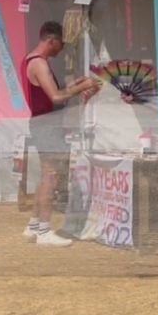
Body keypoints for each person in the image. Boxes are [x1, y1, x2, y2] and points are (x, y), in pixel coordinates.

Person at [21, 21, 99, 247]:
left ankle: (34, 224)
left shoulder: (31, 60)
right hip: (46, 126)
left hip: (42, 124)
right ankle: (44, 231)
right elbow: (56, 97)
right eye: (60, 44)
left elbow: (52, 93)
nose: (62, 48)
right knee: (51, 177)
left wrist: (75, 84)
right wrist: (83, 86)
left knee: (46, 175)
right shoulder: (39, 63)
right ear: (51, 40)